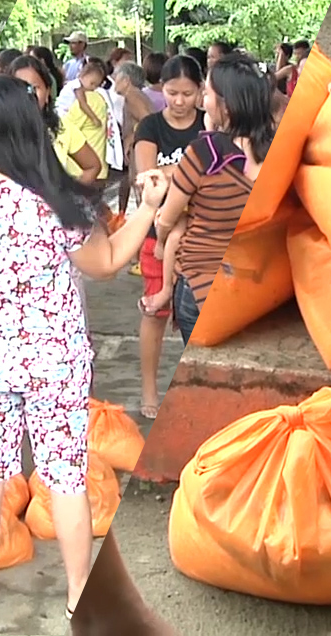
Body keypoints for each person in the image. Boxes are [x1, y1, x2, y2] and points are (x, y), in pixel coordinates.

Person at [0, 74, 169, 622]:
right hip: (53, 359)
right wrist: (148, 206)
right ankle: (77, 596)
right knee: (64, 473)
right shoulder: (53, 201)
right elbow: (109, 262)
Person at [153, 53, 271, 343]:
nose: (202, 101)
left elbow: (167, 219)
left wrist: (162, 229)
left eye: (206, 94)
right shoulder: (278, 147)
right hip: (259, 287)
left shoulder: (205, 152)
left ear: (225, 106)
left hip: (202, 286)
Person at [132, 54, 205, 419]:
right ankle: (149, 391)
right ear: (162, 90)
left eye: (187, 94)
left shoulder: (210, 124)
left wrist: (171, 171)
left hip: (203, 234)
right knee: (156, 311)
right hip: (157, 233)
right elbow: (148, 180)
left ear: (201, 91)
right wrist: (193, 170)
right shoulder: (149, 127)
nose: (179, 101)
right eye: (172, 93)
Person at [113, 62, 159, 216]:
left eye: (117, 76)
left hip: (141, 147)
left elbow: (148, 119)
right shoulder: (136, 95)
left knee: (142, 190)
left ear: (126, 80)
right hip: (141, 146)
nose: (113, 79)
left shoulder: (132, 96)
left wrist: (130, 139)